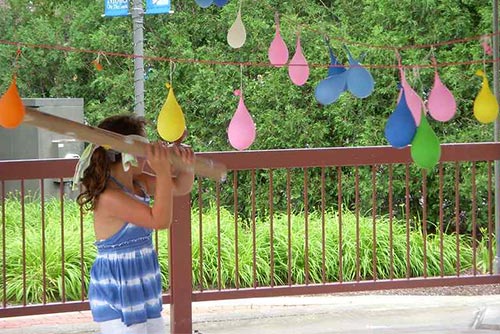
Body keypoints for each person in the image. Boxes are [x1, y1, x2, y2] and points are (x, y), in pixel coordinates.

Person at [74, 114, 195, 334]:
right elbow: (159, 221)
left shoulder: (138, 183)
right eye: (145, 150)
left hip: (142, 284)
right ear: (128, 154)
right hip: (118, 290)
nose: (149, 157)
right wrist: (163, 171)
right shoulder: (109, 197)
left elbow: (179, 187)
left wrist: (185, 165)